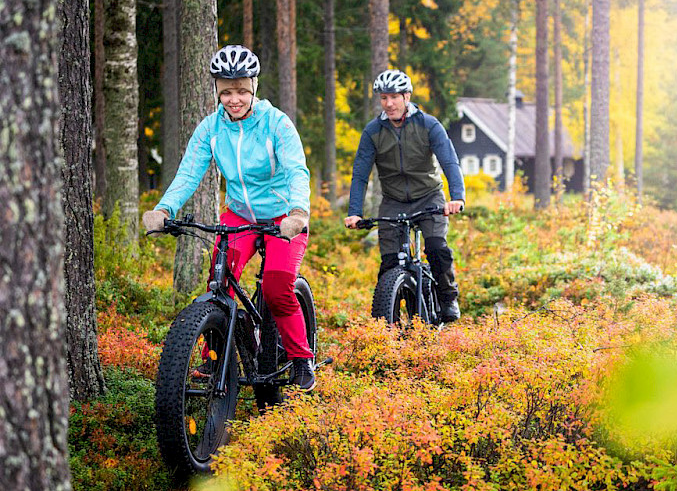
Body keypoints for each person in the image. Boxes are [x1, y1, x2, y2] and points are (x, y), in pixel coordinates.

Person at [142, 45, 316, 390]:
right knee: (218, 278)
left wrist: (298, 212)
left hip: (284, 217)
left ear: (253, 88)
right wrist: (164, 209)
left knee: (277, 286)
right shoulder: (211, 129)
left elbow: (297, 170)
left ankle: (301, 358)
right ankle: (215, 357)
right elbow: (189, 174)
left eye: (241, 91)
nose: (234, 99)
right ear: (217, 91)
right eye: (226, 92)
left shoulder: (276, 123)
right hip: (239, 214)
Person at [344, 69, 466, 322]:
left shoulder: (428, 125)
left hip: (429, 196)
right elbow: (360, 175)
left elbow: (449, 162)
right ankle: (388, 317)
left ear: (407, 96)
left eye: (394, 97)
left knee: (436, 247)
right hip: (393, 201)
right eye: (383, 98)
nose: (389, 104)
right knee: (389, 262)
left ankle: (447, 297)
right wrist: (354, 212)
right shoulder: (373, 132)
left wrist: (457, 197)